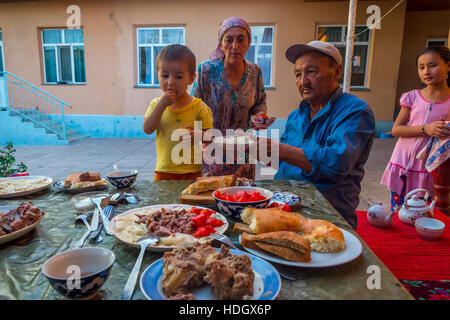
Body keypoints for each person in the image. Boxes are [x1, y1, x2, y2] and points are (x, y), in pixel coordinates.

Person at [257, 41, 375, 230]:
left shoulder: (355, 111)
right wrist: (250, 149)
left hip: (328, 218)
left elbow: (336, 164)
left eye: (311, 72)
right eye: (298, 74)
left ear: (337, 72)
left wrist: (274, 148)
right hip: (284, 212)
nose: (303, 81)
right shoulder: (296, 116)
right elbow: (286, 163)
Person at [192, 17, 270, 179]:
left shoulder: (255, 73)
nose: (235, 46)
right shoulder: (206, 71)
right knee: (211, 197)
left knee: (243, 196)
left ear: (248, 43)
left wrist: (260, 115)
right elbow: (194, 106)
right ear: (221, 44)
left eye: (241, 39)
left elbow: (259, 102)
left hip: (243, 151)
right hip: (212, 152)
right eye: (229, 39)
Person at [381, 45, 450, 212]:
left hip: (431, 173)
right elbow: (396, 130)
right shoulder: (412, 97)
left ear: (448, 66)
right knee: (399, 215)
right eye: (421, 67)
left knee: (424, 217)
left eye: (433, 65)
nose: (426, 71)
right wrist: (425, 128)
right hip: (402, 166)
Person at [143, 44, 214, 181]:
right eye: (164, 75)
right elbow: (147, 129)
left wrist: (200, 135)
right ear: (157, 76)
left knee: (190, 202)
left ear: (191, 79)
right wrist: (162, 105)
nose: (170, 82)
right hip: (164, 171)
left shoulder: (199, 107)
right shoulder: (156, 105)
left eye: (179, 77)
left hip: (192, 172)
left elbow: (211, 137)